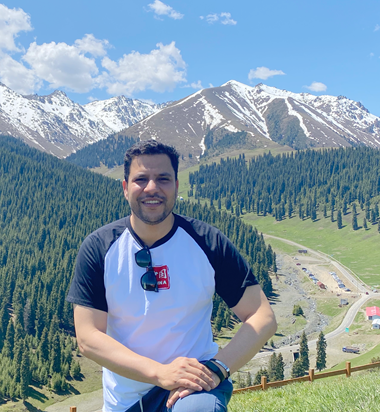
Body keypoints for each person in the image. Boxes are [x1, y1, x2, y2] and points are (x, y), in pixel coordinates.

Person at [66, 140, 277, 412]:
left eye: (163, 179)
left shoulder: (208, 243)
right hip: (126, 403)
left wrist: (218, 368)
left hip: (192, 389)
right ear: (125, 188)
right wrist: (160, 373)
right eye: (141, 179)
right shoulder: (99, 248)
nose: (152, 188)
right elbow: (87, 337)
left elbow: (262, 316)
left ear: (176, 186)